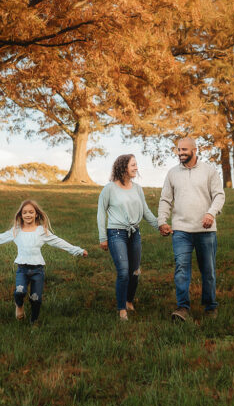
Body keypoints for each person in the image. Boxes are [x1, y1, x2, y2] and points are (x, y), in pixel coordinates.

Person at [0, 199, 87, 325]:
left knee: (36, 299)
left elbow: (59, 242)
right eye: (25, 212)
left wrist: (78, 250)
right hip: (22, 269)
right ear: (20, 215)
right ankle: (19, 306)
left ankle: (34, 321)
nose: (28, 215)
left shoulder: (41, 231)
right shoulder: (16, 231)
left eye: (31, 212)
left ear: (36, 214)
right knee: (20, 291)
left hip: (38, 270)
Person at [158, 136, 225, 322]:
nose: (180, 153)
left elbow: (219, 196)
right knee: (181, 269)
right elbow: (165, 199)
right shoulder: (172, 173)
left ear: (194, 150)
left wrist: (211, 214)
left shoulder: (209, 171)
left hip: (206, 231)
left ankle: (210, 306)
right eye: (178, 150)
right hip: (181, 231)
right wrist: (162, 221)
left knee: (208, 271)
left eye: (184, 150)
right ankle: (182, 308)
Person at [96, 154, 161, 321]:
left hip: (135, 233)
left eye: (136, 164)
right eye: (133, 165)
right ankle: (121, 308)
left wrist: (160, 226)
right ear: (123, 167)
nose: (136, 168)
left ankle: (129, 300)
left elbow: (146, 212)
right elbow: (101, 213)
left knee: (135, 271)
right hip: (116, 233)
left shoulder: (137, 188)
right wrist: (103, 237)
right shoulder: (109, 189)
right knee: (123, 272)